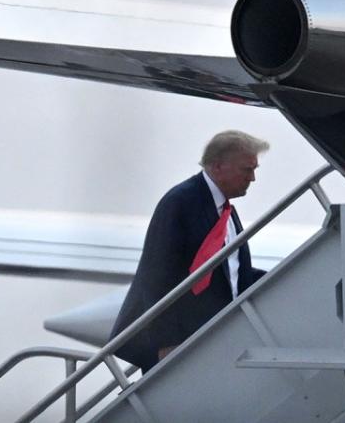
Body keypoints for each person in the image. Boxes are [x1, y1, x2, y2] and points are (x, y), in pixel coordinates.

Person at [110, 130, 269, 372]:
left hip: (213, 339)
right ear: (218, 167)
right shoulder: (181, 202)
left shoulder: (226, 211)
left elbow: (233, 272)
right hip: (180, 344)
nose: (253, 178)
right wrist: (166, 342)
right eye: (247, 170)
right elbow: (157, 275)